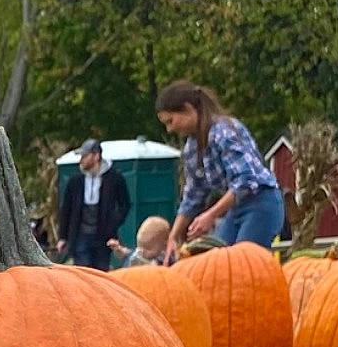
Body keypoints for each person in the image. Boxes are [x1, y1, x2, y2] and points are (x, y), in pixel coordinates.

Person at [156, 82, 284, 257]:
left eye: (170, 121)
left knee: (243, 263)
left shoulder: (225, 131)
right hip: (236, 208)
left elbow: (245, 180)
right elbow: (193, 195)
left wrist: (210, 215)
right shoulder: (192, 148)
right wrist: (174, 236)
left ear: (187, 109)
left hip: (261, 203)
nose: (169, 129)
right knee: (215, 258)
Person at [59, 138, 130, 269]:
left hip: (103, 236)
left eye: (85, 156)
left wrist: (113, 223)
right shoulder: (76, 181)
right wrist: (63, 237)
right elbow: (66, 209)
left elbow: (124, 204)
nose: (81, 160)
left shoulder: (114, 178)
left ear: (96, 156)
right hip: (80, 235)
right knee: (83, 272)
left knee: (101, 271)